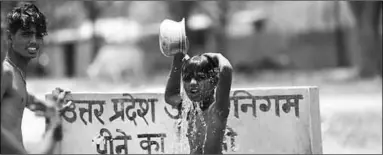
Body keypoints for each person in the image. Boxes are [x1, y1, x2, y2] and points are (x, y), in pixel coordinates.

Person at [1, 3, 71, 154]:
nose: (34, 41)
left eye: (38, 35)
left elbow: (29, 100)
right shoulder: (5, 72)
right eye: (26, 34)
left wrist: (52, 107)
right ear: (10, 37)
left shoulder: (17, 75)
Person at [164, 51, 233, 154]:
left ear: (214, 81)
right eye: (187, 78)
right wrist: (178, 57)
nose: (192, 83)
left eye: (200, 77)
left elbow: (226, 69)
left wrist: (215, 56)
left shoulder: (217, 110)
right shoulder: (189, 109)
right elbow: (171, 96)